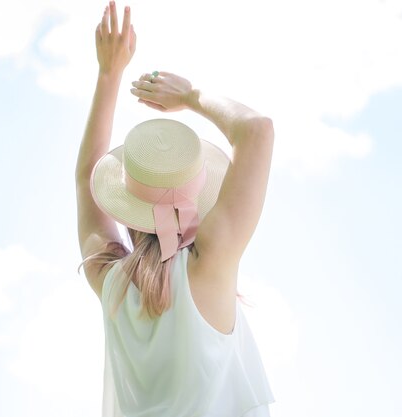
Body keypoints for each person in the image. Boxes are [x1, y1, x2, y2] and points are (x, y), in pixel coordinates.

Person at [75, 2, 275, 416]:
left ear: (126, 209)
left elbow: (83, 177)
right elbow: (256, 130)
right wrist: (188, 96)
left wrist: (109, 74)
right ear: (198, 196)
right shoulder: (210, 264)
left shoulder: (111, 282)